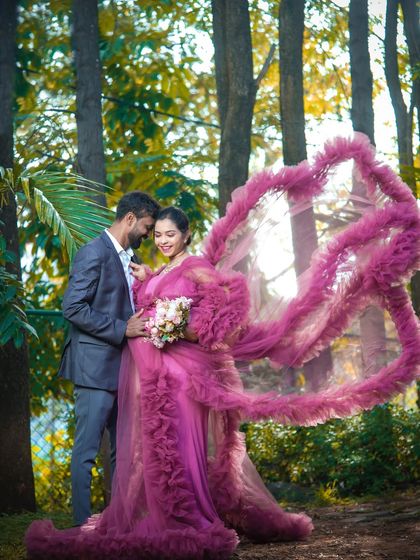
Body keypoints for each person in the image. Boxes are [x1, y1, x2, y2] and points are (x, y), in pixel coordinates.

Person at [26, 135, 420, 559]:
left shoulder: (195, 267)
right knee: (126, 452)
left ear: (185, 234)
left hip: (177, 377)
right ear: (139, 222)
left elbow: (223, 304)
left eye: (168, 233)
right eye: (154, 231)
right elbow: (86, 305)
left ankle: (182, 514)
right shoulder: (136, 266)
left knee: (164, 449)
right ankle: (114, 516)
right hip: (134, 374)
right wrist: (145, 301)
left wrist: (181, 327)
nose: (158, 239)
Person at [58, 191, 160, 526]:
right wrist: (122, 329)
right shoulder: (93, 252)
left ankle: (117, 522)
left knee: (123, 453)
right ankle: (81, 525)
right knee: (86, 452)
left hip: (124, 369)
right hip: (93, 370)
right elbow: (72, 307)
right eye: (146, 227)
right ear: (130, 218)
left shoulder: (130, 257)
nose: (148, 235)